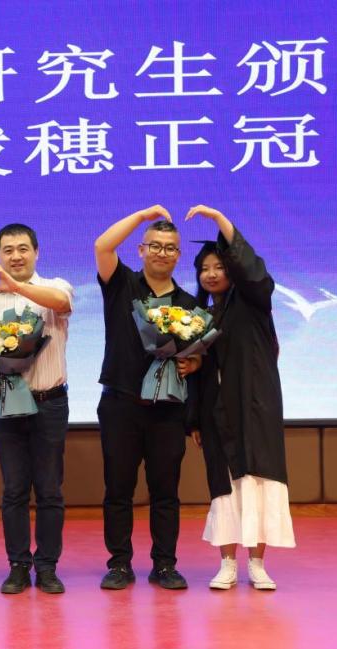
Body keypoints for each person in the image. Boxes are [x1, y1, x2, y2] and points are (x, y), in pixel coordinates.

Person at [186, 204, 295, 590]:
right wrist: (194, 419)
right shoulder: (198, 317)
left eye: (219, 266)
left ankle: (258, 564)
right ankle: (228, 564)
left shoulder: (253, 302)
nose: (211, 274)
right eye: (204, 269)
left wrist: (220, 221)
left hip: (256, 407)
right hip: (217, 412)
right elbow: (196, 373)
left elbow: (255, 273)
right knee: (224, 487)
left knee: (260, 483)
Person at [94, 205, 201, 591]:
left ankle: (165, 565)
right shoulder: (122, 283)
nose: (161, 253)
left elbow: (197, 355)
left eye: (169, 248)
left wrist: (195, 362)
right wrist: (141, 216)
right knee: (118, 489)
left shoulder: (189, 305)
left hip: (167, 410)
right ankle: (119, 564)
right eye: (154, 245)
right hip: (120, 404)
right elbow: (102, 246)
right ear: (140, 250)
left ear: (178, 255)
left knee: (166, 492)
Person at [0, 223, 73, 594]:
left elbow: (61, 304)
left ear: (36, 252)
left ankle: (47, 566)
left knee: (49, 489)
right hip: (7, 402)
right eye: (8, 250)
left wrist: (17, 287)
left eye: (22, 249)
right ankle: (18, 565)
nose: (15, 256)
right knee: (14, 489)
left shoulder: (55, 286)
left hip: (50, 402)